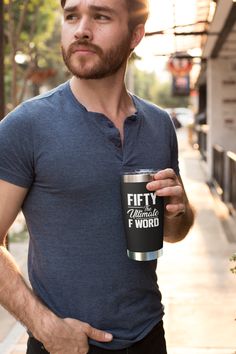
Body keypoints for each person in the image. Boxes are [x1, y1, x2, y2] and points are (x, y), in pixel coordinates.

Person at [0, 0, 195, 353]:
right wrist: (47, 328)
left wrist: (179, 210)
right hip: (64, 344)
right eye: (72, 16)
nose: (81, 30)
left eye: (101, 16)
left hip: (150, 334)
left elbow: (174, 233)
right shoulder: (26, 126)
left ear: (136, 35)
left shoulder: (159, 124)